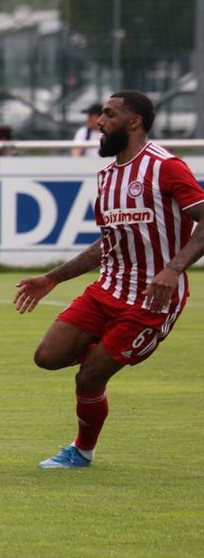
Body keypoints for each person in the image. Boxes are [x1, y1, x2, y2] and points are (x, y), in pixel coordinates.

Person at [14, 90, 204, 468]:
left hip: (151, 300)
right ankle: (105, 350)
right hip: (108, 289)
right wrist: (53, 278)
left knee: (88, 379)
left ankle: (82, 451)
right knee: (47, 357)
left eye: (108, 115)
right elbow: (108, 242)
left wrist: (174, 268)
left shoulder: (165, 166)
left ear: (134, 122)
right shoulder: (106, 175)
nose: (99, 123)